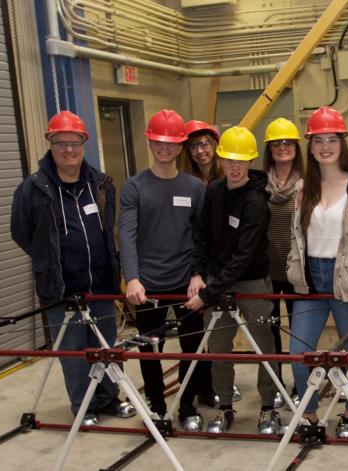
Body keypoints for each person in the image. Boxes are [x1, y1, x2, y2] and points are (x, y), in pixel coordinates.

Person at [10, 111, 134, 426]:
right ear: (50, 144)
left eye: (74, 142)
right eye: (61, 142)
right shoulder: (32, 189)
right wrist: (47, 261)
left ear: (84, 144)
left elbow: (108, 228)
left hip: (101, 285)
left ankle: (108, 399)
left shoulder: (101, 184)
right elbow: (21, 232)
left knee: (104, 347)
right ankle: (83, 407)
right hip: (61, 290)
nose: (68, 150)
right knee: (74, 352)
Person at [286, 106, 348, 438]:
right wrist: (294, 266)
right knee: (300, 352)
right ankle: (310, 413)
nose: (325, 147)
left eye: (332, 139)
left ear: (342, 143)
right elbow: (295, 236)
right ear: (310, 146)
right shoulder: (303, 189)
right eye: (318, 140)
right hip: (311, 279)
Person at [119, 109, 213, 431]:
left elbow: (202, 236)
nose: (164, 147)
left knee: (192, 347)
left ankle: (187, 404)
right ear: (150, 141)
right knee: (149, 349)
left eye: (171, 142)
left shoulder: (194, 187)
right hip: (148, 286)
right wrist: (132, 278)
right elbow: (127, 235)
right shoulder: (134, 187)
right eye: (159, 141)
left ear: (180, 145)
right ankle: (157, 407)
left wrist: (198, 274)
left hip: (185, 283)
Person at [184, 126, 281, 435]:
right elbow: (201, 234)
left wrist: (208, 293)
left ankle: (268, 406)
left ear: (251, 161)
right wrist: (198, 273)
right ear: (220, 159)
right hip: (215, 278)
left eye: (242, 161)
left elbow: (244, 255)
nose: (235, 167)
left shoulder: (255, 200)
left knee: (264, 345)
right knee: (219, 347)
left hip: (252, 280)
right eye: (229, 160)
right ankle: (225, 406)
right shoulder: (213, 191)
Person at [263, 117, 304, 407]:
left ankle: (302, 382)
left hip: (297, 270)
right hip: (267, 269)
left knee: (300, 331)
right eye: (276, 143)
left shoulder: (308, 181)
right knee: (270, 330)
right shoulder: (259, 182)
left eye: (287, 142)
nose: (282, 147)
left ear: (296, 147)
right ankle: (275, 384)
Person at [179, 120, 223, 186]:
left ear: (213, 144)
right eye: (193, 146)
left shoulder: (227, 175)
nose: (199, 151)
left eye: (204, 144)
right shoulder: (185, 181)